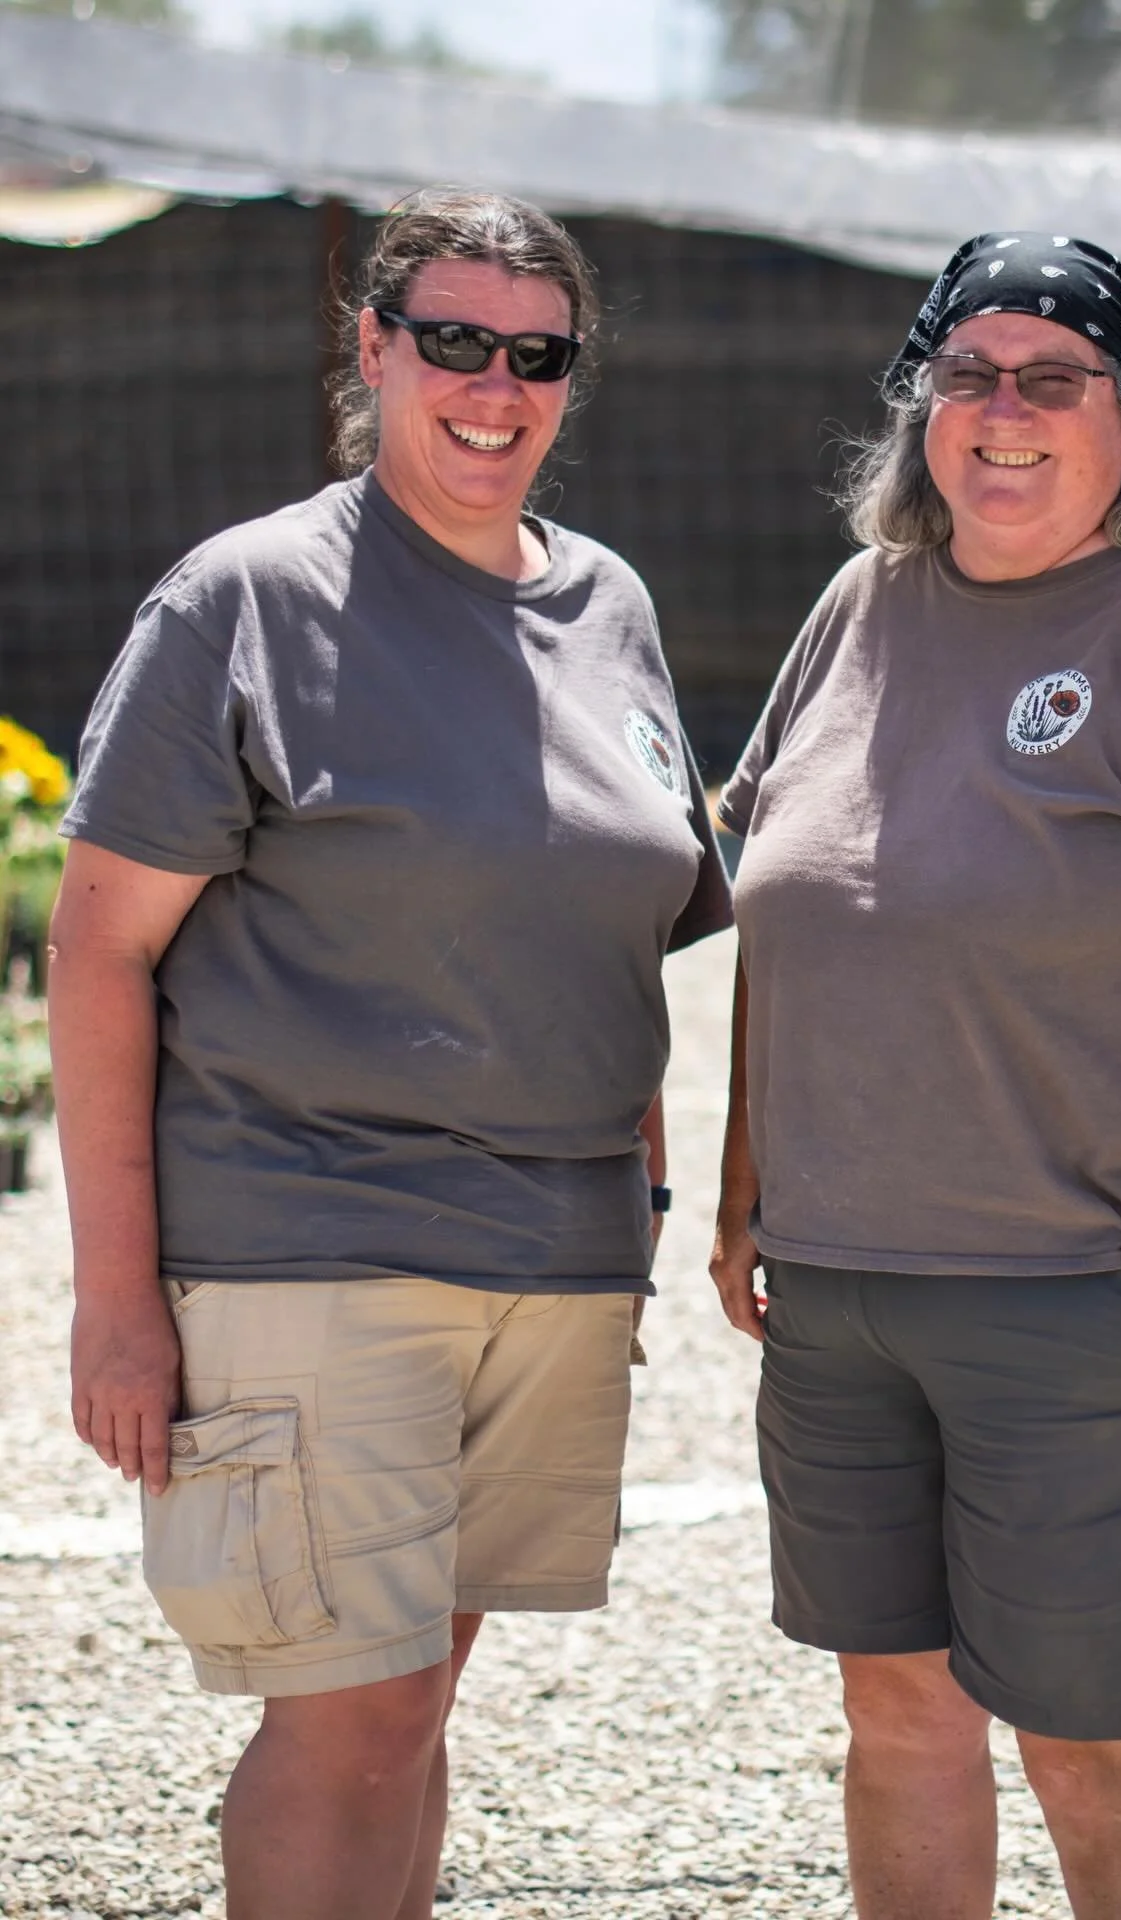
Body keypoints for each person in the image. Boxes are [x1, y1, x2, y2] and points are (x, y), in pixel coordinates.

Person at [49, 188, 731, 1920]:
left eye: (537, 355)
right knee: (348, 1722)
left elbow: (619, 931)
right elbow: (101, 951)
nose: (495, 387)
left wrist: (643, 1214)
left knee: (415, 1708)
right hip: (311, 1237)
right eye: (454, 342)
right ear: (373, 347)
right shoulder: (248, 598)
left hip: (553, 1261)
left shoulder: (610, 606)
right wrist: (116, 1299)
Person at [709, 232, 1121, 1920]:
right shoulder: (860, 606)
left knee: (1094, 1752)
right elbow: (788, 909)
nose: (1005, 412)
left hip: (1084, 1292)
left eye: (1054, 378)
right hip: (845, 1295)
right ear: (921, 404)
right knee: (897, 1717)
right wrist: (744, 1198)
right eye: (969, 374)